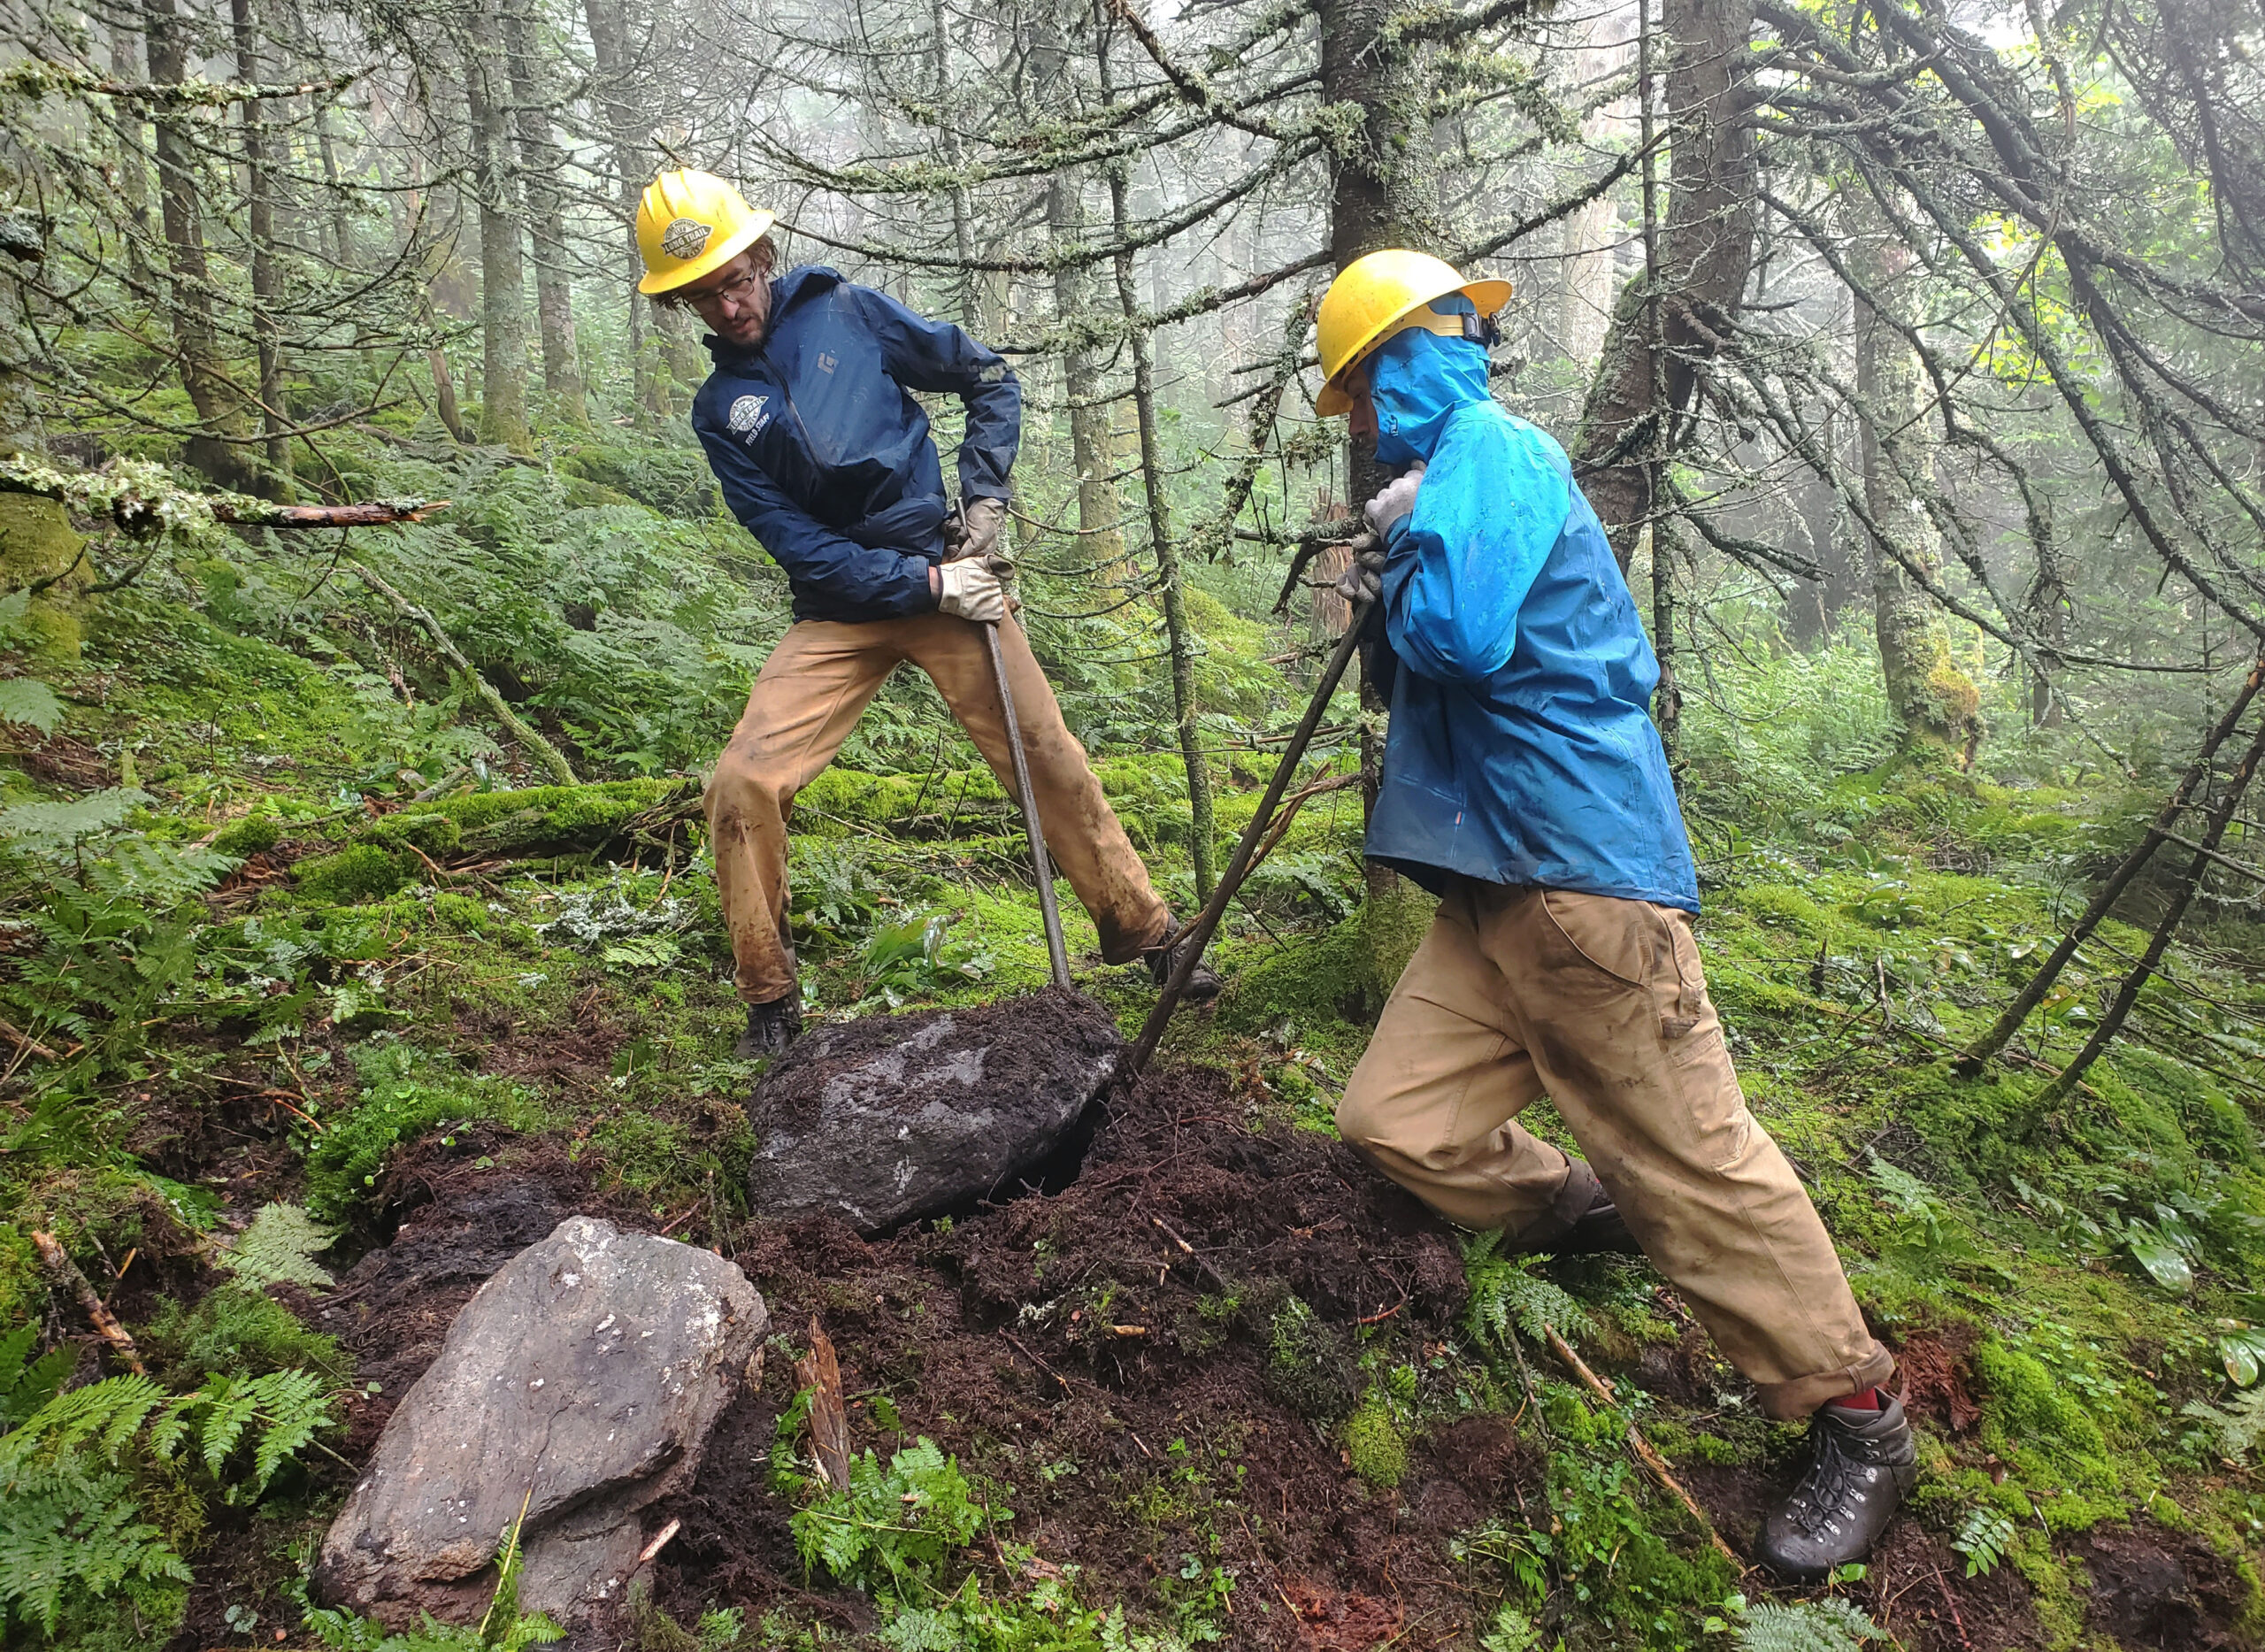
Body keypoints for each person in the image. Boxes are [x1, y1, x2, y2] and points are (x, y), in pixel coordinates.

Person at [1313, 249, 1913, 1578]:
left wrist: (1396, 561)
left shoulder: (1496, 447)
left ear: (1406, 359)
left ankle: (1857, 1410)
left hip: (1580, 874)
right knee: (1393, 1119)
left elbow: (1462, 638)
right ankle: (1581, 1207)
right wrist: (1396, 558)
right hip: (1493, 889)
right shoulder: (1461, 475)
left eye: (1357, 391)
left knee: (1696, 1158)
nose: (1359, 423)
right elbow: (1441, 660)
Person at [633, 169, 1218, 1055]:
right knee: (742, 780)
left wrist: (983, 507)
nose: (726, 306)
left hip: (948, 567)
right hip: (842, 607)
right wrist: (924, 588)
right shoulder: (721, 412)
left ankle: (1151, 940)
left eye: (734, 280)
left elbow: (988, 379)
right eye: (700, 296)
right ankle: (768, 995)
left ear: (762, 256)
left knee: (1046, 752)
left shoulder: (851, 316)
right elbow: (796, 545)